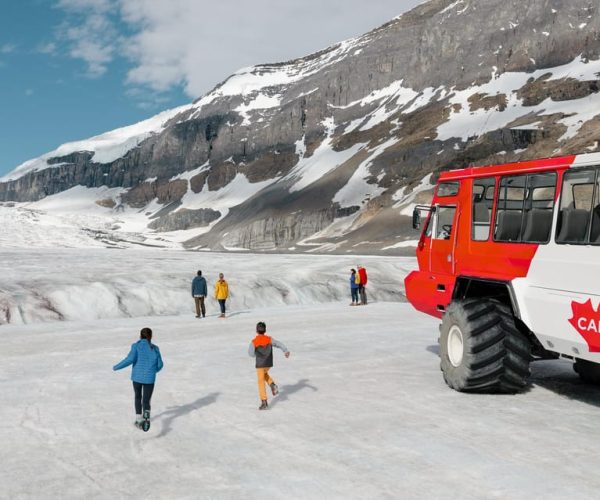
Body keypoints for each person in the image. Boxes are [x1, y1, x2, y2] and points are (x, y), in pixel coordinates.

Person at [113, 327, 164, 431]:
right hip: (150, 379)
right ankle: (146, 415)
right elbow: (160, 365)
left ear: (140, 335)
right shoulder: (155, 348)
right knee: (146, 400)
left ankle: (138, 419)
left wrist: (116, 367)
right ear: (151, 336)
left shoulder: (136, 346)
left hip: (137, 378)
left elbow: (130, 359)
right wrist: (152, 372)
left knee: (137, 397)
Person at [248, 321, 290, 410]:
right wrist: (285, 350)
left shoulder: (254, 341)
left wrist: (257, 354)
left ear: (256, 330)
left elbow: (251, 354)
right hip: (268, 363)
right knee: (264, 374)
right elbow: (278, 344)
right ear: (265, 330)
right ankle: (272, 385)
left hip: (260, 364)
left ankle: (264, 402)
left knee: (260, 382)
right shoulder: (269, 339)